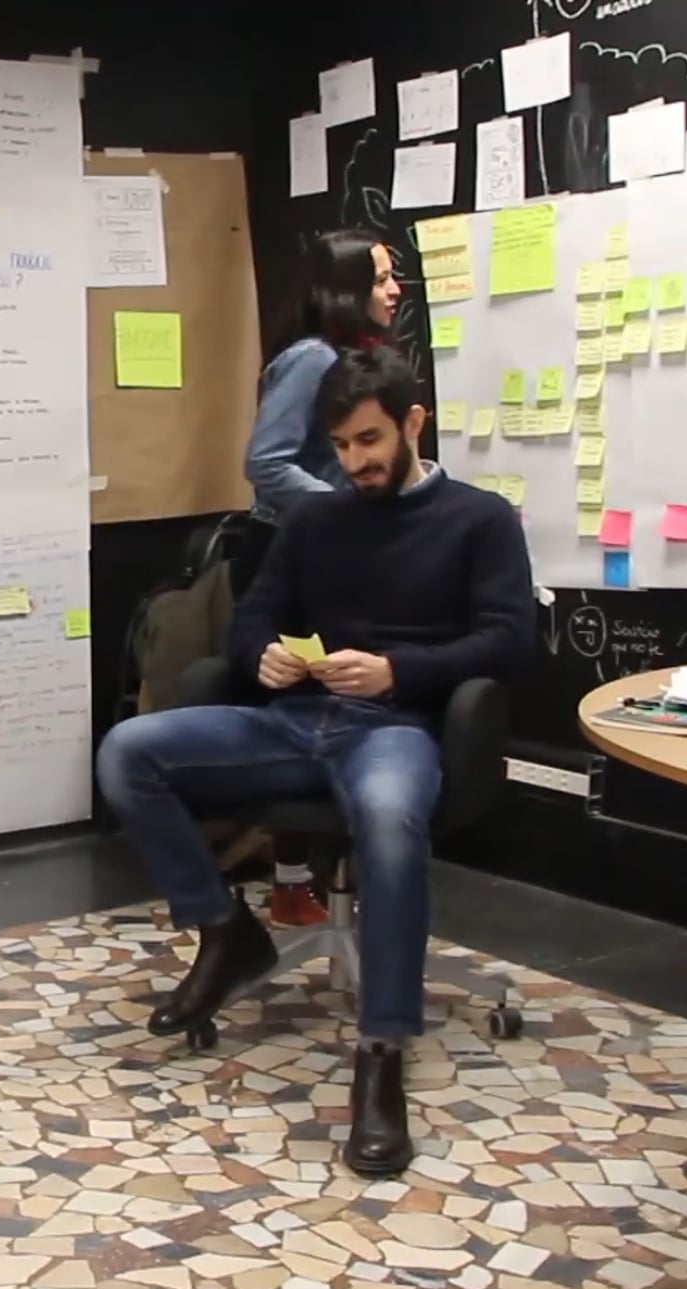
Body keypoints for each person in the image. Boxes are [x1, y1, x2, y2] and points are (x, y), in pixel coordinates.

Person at [97, 347, 533, 1176]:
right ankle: (226, 932)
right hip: (295, 720)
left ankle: (382, 1053)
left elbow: (510, 643)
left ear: (412, 422)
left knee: (389, 821)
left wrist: (398, 671)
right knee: (128, 753)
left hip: (393, 727)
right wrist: (261, 654)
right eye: (339, 446)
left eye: (369, 440)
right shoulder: (316, 521)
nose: (354, 462)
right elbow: (253, 619)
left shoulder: (479, 520)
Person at [237, 229, 402, 928]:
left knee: (351, 697)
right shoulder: (313, 359)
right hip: (290, 552)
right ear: (345, 288)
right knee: (301, 705)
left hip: (339, 552)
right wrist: (345, 506)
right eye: (382, 278)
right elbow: (266, 463)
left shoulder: (361, 358)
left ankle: (336, 879)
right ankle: (292, 881)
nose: (394, 290)